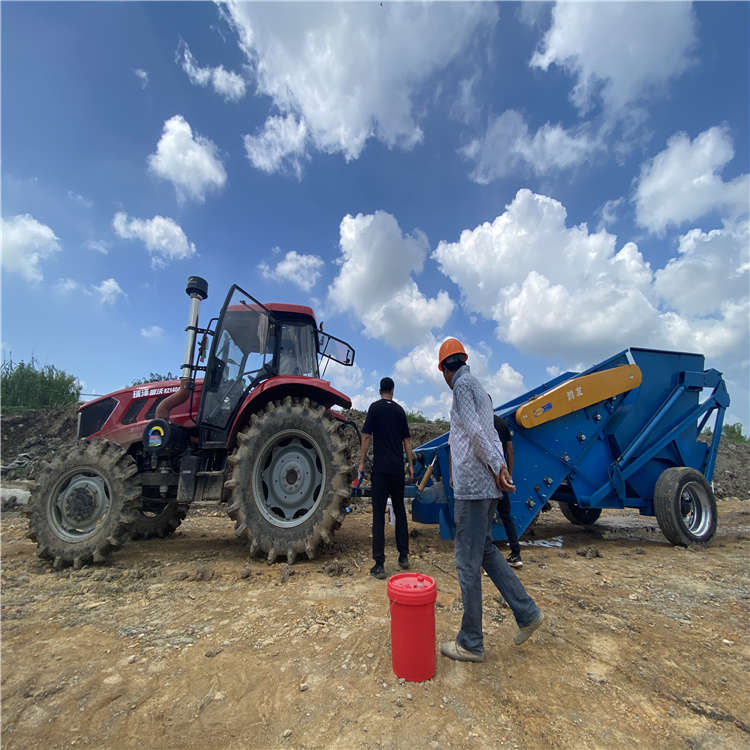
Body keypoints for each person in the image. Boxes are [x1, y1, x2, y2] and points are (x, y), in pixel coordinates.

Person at [437, 338, 543, 662]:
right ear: (464, 359)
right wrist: (501, 469)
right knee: (484, 551)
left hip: (474, 489)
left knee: (466, 562)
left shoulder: (461, 388)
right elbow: (491, 434)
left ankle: (471, 642)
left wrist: (498, 467)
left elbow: (474, 433)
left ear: (443, 369)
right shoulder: (480, 389)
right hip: (487, 487)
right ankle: (527, 613)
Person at [358, 377, 414, 580]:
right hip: (397, 469)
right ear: (393, 390)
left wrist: (362, 462)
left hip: (380, 470)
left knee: (378, 516)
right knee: (399, 510)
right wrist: (410, 466)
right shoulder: (399, 411)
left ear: (379, 390)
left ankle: (380, 564)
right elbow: (407, 441)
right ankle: (403, 557)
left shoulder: (374, 408)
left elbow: (366, 437)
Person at [493, 413, 523, 568]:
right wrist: (509, 474)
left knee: (482, 518)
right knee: (506, 515)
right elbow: (510, 451)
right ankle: (516, 553)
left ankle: (484, 558)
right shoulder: (502, 424)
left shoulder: (480, 424)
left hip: (487, 479)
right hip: (502, 476)